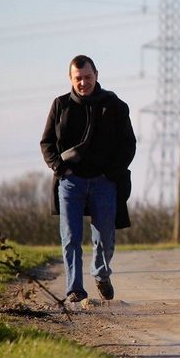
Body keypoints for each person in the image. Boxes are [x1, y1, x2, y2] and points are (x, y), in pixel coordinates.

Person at [40, 55, 136, 303]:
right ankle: (75, 289)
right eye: (78, 78)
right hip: (70, 182)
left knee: (105, 236)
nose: (83, 83)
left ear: (96, 75)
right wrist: (60, 168)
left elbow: (128, 144)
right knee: (70, 237)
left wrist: (112, 173)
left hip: (105, 181)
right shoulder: (60, 105)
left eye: (88, 77)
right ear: (71, 79)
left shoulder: (114, 105)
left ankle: (101, 273)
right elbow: (47, 142)